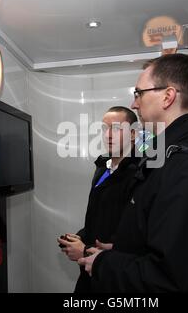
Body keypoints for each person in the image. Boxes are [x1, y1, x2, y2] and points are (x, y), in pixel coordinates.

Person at [78, 53, 188, 292]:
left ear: (168, 96)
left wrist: (105, 263)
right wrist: (122, 250)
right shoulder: (168, 156)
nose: (135, 104)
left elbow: (174, 277)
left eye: (139, 93)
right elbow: (167, 241)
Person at [58, 106, 140, 293]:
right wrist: (80, 237)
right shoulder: (102, 167)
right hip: (89, 275)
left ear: (134, 134)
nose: (108, 135)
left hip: (116, 279)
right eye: (104, 129)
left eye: (117, 128)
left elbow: (133, 238)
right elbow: (99, 216)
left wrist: (85, 249)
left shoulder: (140, 174)